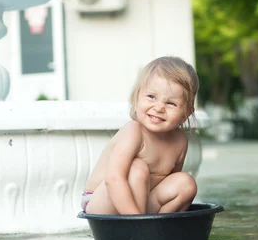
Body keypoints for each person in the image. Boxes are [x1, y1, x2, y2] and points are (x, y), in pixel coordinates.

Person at [82, 56, 199, 215]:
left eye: (170, 103)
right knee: (137, 168)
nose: (158, 108)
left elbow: (167, 184)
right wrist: (136, 220)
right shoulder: (134, 131)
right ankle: (139, 229)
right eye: (151, 97)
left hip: (142, 205)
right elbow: (113, 179)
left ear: (186, 113)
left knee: (186, 183)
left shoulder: (180, 142)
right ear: (136, 97)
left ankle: (157, 229)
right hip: (103, 201)